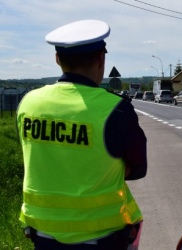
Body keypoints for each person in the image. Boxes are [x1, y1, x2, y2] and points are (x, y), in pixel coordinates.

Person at [16, 19, 147, 249]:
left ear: (57, 59)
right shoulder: (115, 109)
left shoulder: (28, 103)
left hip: (41, 235)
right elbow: (137, 168)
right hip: (102, 238)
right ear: (101, 59)